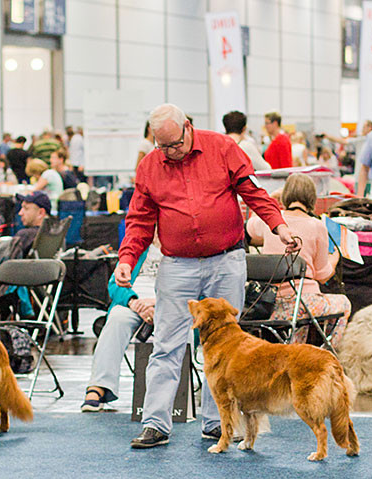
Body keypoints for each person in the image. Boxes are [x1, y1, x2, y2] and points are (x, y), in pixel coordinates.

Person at [114, 103, 296, 449]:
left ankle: (218, 425)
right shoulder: (150, 166)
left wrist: (279, 226)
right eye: (162, 146)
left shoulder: (223, 147)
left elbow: (253, 192)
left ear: (188, 127)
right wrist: (127, 258)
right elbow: (139, 221)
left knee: (227, 347)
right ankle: (155, 423)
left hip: (226, 260)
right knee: (166, 344)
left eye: (175, 144)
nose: (170, 152)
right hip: (177, 266)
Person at [246, 174, 351, 344]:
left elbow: (249, 229)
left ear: (285, 195)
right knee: (344, 304)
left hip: (266, 305)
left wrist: (271, 199)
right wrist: (335, 258)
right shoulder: (317, 226)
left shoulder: (271, 221)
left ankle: (293, 349)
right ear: (312, 198)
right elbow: (322, 275)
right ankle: (327, 351)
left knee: (301, 316)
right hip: (301, 304)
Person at [81, 240, 162, 412]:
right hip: (133, 302)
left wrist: (159, 303)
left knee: (181, 322)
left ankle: (182, 389)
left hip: (169, 303)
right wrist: (134, 302)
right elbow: (114, 285)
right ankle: (99, 385)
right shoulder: (137, 246)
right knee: (117, 317)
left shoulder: (183, 245)